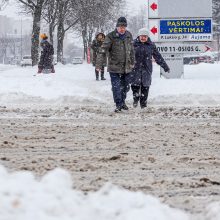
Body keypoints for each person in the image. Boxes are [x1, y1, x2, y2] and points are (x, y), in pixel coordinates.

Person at [96, 17, 135, 113]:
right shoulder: (111, 36)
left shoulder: (129, 35)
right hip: (114, 67)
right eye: (120, 26)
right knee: (116, 87)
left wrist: (133, 62)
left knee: (125, 86)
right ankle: (118, 104)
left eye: (124, 27)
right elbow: (103, 51)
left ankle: (122, 101)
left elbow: (132, 51)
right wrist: (99, 65)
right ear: (117, 26)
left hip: (126, 67)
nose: (122, 29)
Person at [131, 28, 170, 109]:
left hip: (146, 69)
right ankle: (135, 99)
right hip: (135, 69)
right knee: (135, 86)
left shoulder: (151, 45)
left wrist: (165, 66)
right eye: (142, 36)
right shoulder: (133, 44)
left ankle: (143, 105)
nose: (143, 38)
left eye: (145, 36)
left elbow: (158, 57)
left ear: (147, 37)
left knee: (145, 87)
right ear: (139, 36)